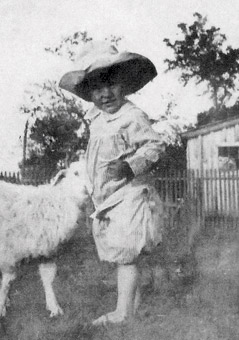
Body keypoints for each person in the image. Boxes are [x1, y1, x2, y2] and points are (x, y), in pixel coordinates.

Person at [59, 42, 165, 326]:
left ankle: (121, 313)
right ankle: (134, 312)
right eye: (96, 88)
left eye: (112, 85)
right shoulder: (98, 119)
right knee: (126, 254)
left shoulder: (131, 116)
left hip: (129, 193)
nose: (105, 93)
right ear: (89, 93)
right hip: (108, 197)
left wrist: (131, 166)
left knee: (126, 255)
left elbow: (155, 146)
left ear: (124, 85)